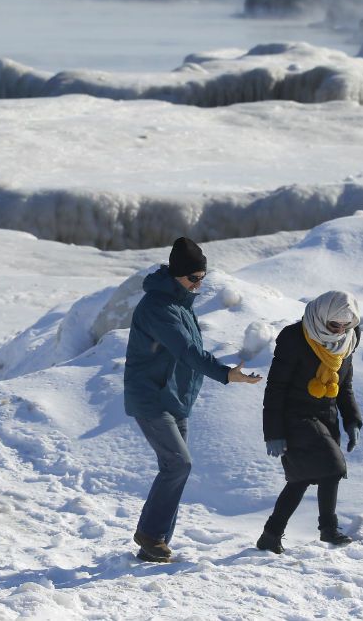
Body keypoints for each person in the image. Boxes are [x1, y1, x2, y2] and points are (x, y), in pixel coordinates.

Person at [123, 236, 262, 562]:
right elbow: (187, 351)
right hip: (151, 398)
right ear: (176, 275)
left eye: (203, 278)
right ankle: (151, 535)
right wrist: (226, 374)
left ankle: (154, 545)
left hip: (172, 398)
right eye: (193, 278)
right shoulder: (159, 308)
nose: (199, 284)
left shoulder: (180, 305)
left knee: (173, 468)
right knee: (179, 464)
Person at [256, 290, 363, 554]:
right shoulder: (294, 338)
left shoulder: (349, 340)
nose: (338, 331)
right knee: (333, 466)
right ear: (320, 316)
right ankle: (329, 528)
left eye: (344, 325)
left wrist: (351, 420)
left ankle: (270, 535)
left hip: (327, 415)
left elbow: (345, 384)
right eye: (333, 325)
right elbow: (276, 387)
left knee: (300, 479)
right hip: (295, 416)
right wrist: (273, 432)